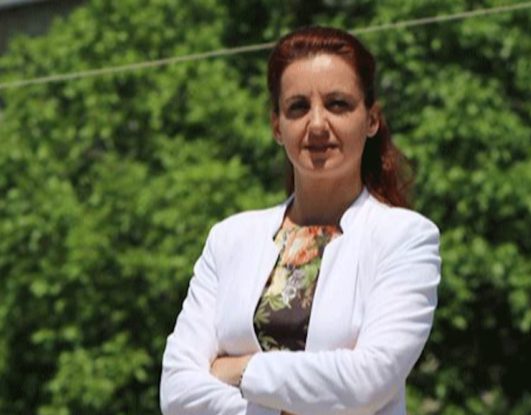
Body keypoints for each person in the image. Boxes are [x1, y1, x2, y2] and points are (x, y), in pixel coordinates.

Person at [160, 26, 441, 415]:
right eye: (298, 107)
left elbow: (368, 382)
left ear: (372, 119)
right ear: (278, 126)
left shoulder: (405, 238)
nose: (318, 124)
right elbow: (177, 393)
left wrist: (241, 370)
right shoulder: (229, 240)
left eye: (338, 104)